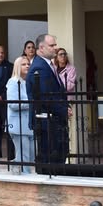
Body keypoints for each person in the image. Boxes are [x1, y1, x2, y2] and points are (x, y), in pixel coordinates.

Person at [26, 34, 68, 167]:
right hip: (47, 122)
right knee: (50, 162)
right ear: (41, 48)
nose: (55, 48)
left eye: (55, 44)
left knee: (59, 158)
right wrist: (64, 110)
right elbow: (45, 97)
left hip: (54, 121)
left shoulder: (48, 64)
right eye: (52, 45)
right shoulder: (40, 66)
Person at [6, 56, 33, 173]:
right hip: (18, 124)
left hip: (29, 124)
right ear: (17, 67)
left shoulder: (29, 82)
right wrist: (31, 103)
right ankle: (24, 176)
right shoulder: (13, 82)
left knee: (31, 155)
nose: (27, 66)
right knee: (24, 156)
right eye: (23, 64)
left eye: (28, 64)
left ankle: (16, 170)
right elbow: (13, 104)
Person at [54, 48, 79, 160]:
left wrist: (57, 86)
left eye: (64, 54)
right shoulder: (53, 69)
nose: (63, 56)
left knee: (68, 128)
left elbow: (70, 86)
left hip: (67, 100)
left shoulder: (71, 69)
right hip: (56, 102)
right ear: (56, 57)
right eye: (60, 54)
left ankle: (69, 155)